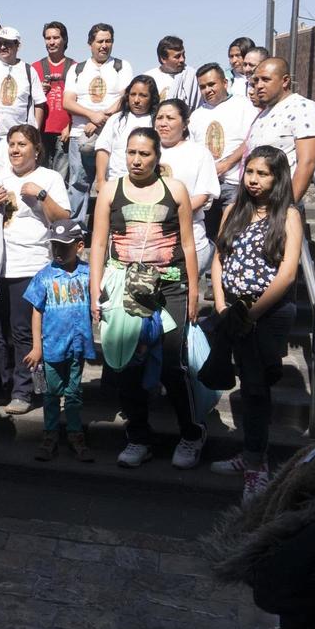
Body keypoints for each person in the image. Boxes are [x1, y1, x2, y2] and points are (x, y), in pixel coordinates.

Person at [91, 128, 206, 470]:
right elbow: (98, 243)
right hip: (124, 287)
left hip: (169, 286)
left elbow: (187, 243)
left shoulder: (176, 190)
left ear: (158, 157)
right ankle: (138, 437)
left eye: (144, 154)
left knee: (172, 362)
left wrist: (194, 289)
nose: (136, 160)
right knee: (126, 363)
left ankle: (191, 434)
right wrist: (96, 290)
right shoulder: (111, 190)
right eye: (131, 153)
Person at [208, 147, 303, 500]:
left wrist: (251, 314)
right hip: (231, 310)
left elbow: (287, 272)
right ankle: (249, 454)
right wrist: (220, 305)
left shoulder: (288, 215)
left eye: (263, 174)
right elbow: (219, 259)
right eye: (250, 172)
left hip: (266, 313)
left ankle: (255, 464)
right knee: (237, 380)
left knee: (256, 388)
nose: (254, 179)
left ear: (278, 178)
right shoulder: (233, 209)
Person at [0, 125, 71, 415]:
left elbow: (64, 220)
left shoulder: (49, 177)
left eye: (22, 144)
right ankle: (9, 386)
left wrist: (42, 195)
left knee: (26, 333)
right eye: (11, 143)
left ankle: (28, 391)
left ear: (37, 149)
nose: (15, 149)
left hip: (32, 264)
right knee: (0, 332)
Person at [23, 220, 96, 463]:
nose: (59, 252)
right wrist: (36, 347)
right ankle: (50, 434)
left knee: (74, 393)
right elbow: (37, 311)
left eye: (64, 247)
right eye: (55, 246)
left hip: (78, 345)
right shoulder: (44, 276)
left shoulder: (89, 274)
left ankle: (76, 434)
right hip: (52, 346)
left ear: (79, 246)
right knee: (50, 392)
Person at [65, 23, 137, 218]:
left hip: (112, 135)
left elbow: (125, 98)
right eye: (100, 41)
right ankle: (76, 232)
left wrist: (100, 118)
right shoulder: (77, 69)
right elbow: (68, 102)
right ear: (90, 43)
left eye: (108, 41)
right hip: (80, 135)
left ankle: (114, 230)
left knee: (112, 183)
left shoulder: (121, 66)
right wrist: (91, 115)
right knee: (78, 183)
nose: (104, 45)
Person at [190, 62, 259, 242]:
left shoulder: (244, 106)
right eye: (203, 86)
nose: (207, 90)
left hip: (234, 182)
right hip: (206, 187)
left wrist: (227, 164)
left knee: (233, 235)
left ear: (225, 83)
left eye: (212, 84)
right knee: (209, 236)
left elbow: (252, 139)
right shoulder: (197, 115)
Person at [154, 99, 220, 274]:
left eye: (170, 118)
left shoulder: (199, 154)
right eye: (159, 117)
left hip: (189, 238)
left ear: (185, 124)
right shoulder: (147, 151)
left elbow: (203, 194)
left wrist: (172, 214)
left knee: (183, 294)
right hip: (152, 239)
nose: (163, 123)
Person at [245, 57, 315, 203]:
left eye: (266, 80)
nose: (258, 86)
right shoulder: (263, 112)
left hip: (280, 202)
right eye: (256, 81)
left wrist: (288, 206)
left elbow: (308, 161)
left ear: (285, 81)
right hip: (255, 203)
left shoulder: (302, 107)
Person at [92, 75, 160, 200]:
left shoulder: (157, 121)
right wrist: (101, 180)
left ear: (152, 98)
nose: (137, 100)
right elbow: (103, 150)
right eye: (133, 94)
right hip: (116, 184)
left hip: (148, 187)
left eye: (143, 95)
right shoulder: (116, 120)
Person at [34, 20, 76, 178]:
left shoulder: (75, 67)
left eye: (56, 38)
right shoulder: (35, 68)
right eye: (48, 38)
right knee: (40, 176)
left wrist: (69, 126)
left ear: (64, 39)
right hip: (41, 131)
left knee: (60, 178)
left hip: (64, 132)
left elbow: (79, 101)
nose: (51, 42)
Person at [143, 35, 201, 110]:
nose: (182, 59)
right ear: (163, 59)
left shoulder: (193, 76)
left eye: (183, 54)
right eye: (177, 56)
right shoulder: (148, 78)